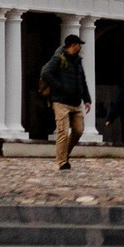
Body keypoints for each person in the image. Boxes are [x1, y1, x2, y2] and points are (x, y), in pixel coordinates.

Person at [39, 33, 90, 169]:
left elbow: (82, 81)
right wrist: (59, 87)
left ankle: (64, 154)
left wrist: (87, 99)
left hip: (75, 102)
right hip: (60, 102)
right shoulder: (58, 59)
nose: (80, 47)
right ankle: (61, 161)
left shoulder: (78, 61)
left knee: (78, 130)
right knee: (63, 131)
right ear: (73, 45)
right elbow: (45, 74)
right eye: (79, 45)